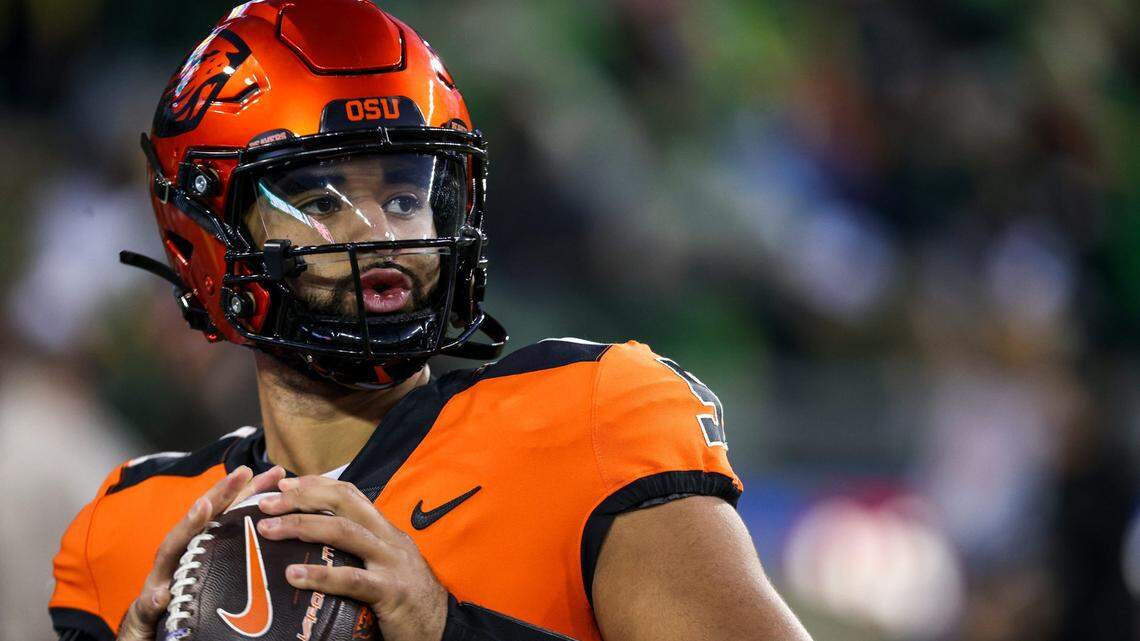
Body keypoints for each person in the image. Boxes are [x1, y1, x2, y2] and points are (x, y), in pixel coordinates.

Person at [50, 2, 812, 640]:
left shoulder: (590, 422)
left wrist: (447, 626)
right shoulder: (126, 530)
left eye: (406, 195)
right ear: (210, 236)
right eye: (319, 202)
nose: (381, 233)